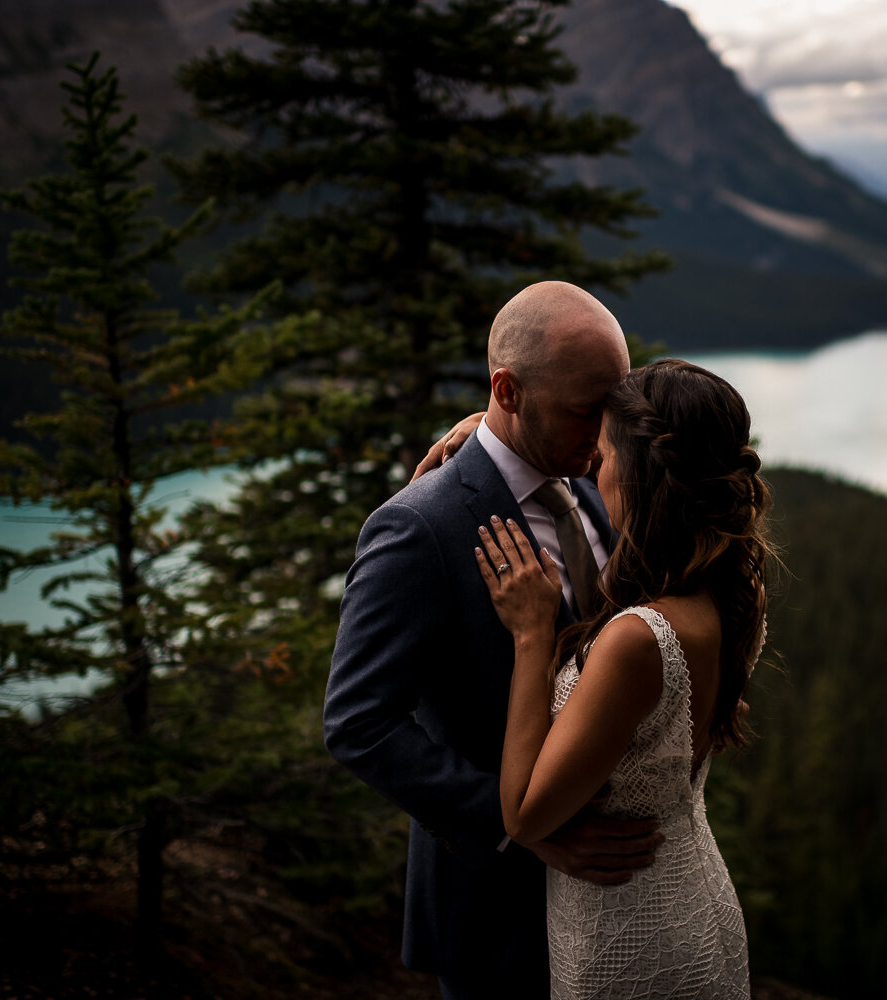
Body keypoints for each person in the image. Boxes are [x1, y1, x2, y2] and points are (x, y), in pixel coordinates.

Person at [322, 281, 666, 999]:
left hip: (609, 906)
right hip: (492, 905)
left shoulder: (593, 473)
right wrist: (520, 825)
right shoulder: (419, 527)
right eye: (583, 411)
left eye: (612, 406)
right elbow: (357, 723)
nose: (605, 433)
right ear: (507, 391)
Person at [474, 358, 772, 999]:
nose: (590, 468)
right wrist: (489, 436)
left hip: (629, 936)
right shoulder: (732, 588)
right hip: (694, 902)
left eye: (604, 454)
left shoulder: (637, 641)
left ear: (642, 475)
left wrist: (533, 634)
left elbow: (524, 816)